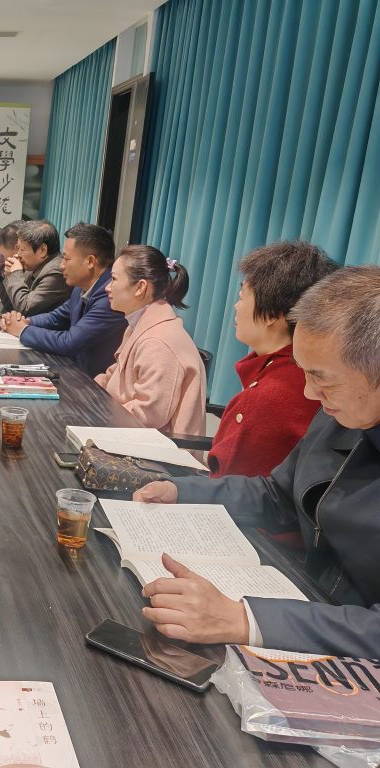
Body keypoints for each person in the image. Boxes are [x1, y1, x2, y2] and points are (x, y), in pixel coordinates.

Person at [133, 266, 380, 658]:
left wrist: (244, 619)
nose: (309, 393)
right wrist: (181, 490)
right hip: (308, 597)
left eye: (323, 378)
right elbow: (278, 495)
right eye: (304, 372)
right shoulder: (341, 415)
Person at [207, 241, 338, 477]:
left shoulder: (270, 395)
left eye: (242, 296)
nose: (236, 306)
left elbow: (234, 483)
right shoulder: (298, 369)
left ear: (272, 315)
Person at [95, 245, 206, 435]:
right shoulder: (140, 324)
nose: (107, 287)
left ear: (140, 287)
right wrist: (88, 393)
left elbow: (148, 414)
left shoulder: (158, 341)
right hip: (127, 430)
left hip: (156, 446)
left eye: (114, 279)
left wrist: (97, 413)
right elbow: (114, 376)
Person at [0, 223, 126, 377]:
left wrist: (22, 330)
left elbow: (70, 342)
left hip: (93, 383)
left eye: (66, 259)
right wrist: (23, 321)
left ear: (90, 261)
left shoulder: (110, 297)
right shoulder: (81, 287)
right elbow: (56, 317)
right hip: (76, 373)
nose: (61, 265)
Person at [0, 219, 71, 316]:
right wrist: (8, 275)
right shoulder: (33, 265)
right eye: (18, 249)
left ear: (42, 250)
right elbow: (10, 306)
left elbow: (25, 309)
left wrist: (15, 274)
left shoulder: (56, 272)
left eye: (23, 249)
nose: (18, 254)